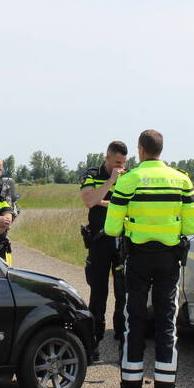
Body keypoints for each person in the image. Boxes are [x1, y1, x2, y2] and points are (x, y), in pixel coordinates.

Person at [104, 129, 194, 388]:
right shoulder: (182, 180)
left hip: (137, 258)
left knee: (133, 321)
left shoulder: (129, 180)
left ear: (140, 150)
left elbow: (111, 227)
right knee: (167, 322)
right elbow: (192, 226)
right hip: (169, 259)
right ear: (161, 149)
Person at [79, 140, 129, 362]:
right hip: (99, 241)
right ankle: (94, 342)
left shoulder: (129, 175)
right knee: (98, 294)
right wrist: (111, 182)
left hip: (123, 241)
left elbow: (130, 204)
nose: (120, 167)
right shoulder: (92, 174)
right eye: (117, 162)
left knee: (123, 293)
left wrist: (104, 201)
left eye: (124, 163)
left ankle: (122, 342)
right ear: (107, 158)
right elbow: (90, 200)